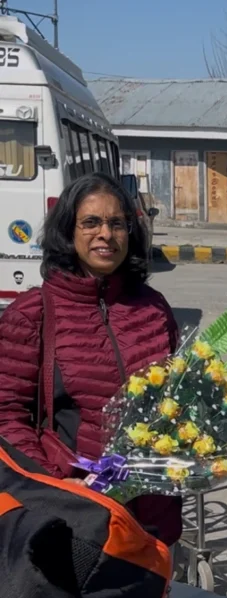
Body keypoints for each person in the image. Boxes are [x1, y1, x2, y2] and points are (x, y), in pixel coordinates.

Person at [0, 172, 181, 546]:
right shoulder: (33, 313)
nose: (105, 234)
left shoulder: (153, 308)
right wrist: (53, 481)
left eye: (117, 223)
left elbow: (179, 396)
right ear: (68, 232)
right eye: (91, 222)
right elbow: (6, 413)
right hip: (73, 511)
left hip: (152, 514)